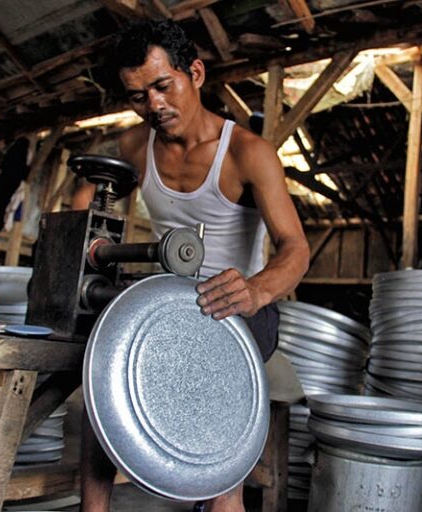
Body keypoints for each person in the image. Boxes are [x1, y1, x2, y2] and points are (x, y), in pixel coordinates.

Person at [72, 19, 310, 512]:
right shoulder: (135, 147)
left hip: (241, 308)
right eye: (138, 96)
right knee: (103, 369)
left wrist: (257, 289)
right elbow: (88, 198)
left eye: (163, 86)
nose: (154, 105)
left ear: (195, 74)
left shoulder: (247, 152)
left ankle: (224, 499)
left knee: (214, 373)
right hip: (168, 304)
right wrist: (81, 214)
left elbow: (295, 249)